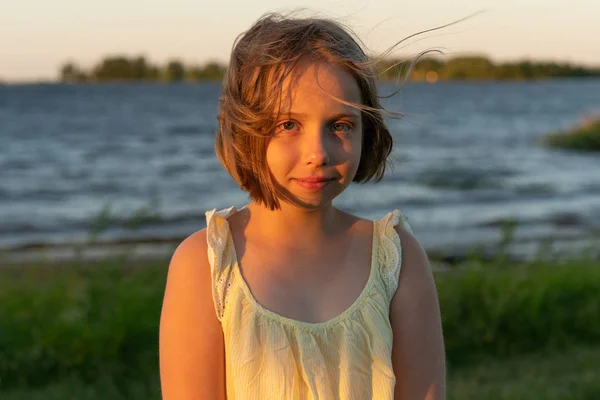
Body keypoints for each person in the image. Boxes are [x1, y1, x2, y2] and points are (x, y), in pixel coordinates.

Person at [160, 11, 445, 400]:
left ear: (367, 130)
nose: (317, 153)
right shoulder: (208, 265)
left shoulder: (394, 259)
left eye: (340, 125)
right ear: (245, 129)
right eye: (288, 125)